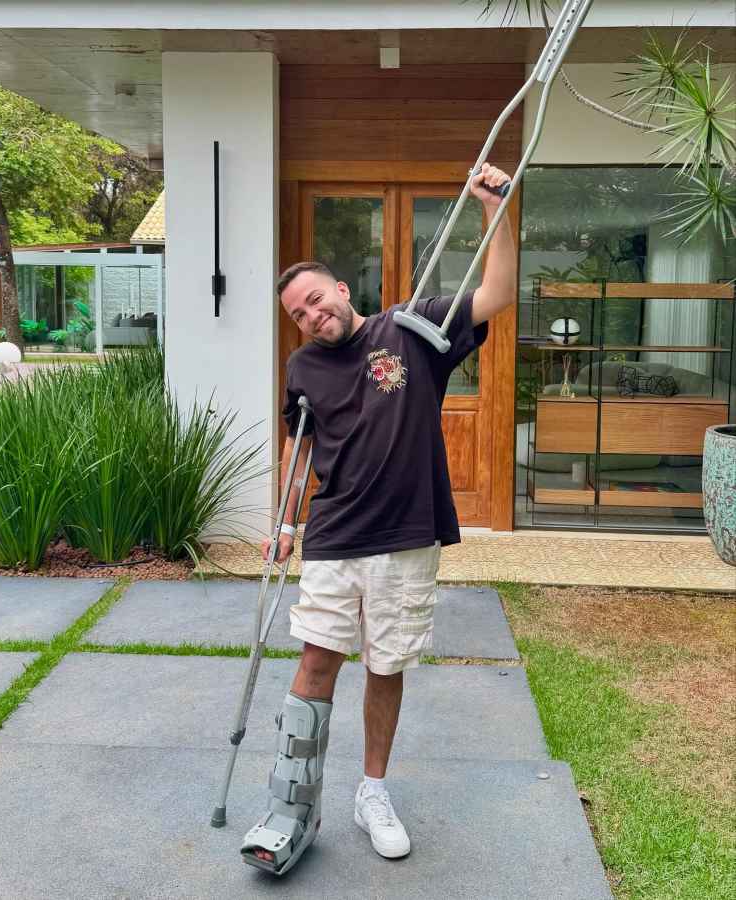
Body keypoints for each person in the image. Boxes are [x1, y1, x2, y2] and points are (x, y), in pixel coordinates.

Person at [241, 162, 516, 875]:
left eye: (313, 300)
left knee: (386, 664)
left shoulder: (412, 327)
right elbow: (296, 445)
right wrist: (282, 521)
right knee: (315, 658)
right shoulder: (302, 366)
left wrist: (495, 210)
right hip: (334, 536)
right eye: (296, 314)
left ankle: (372, 791)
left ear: (340, 287)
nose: (310, 317)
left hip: (405, 537)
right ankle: (293, 801)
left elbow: (498, 293)